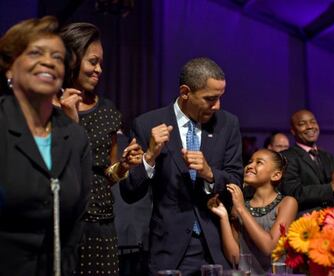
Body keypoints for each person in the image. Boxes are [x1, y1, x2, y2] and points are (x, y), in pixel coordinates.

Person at [120, 57, 244, 275]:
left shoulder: (228, 124)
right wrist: (149, 156)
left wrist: (209, 174)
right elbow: (129, 192)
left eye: (220, 98)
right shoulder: (147, 123)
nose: (217, 106)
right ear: (185, 92)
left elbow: (236, 180)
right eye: (210, 99)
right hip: (169, 251)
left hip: (216, 247)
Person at [0, 16, 91, 276]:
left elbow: (76, 218)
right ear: (9, 68)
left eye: (58, 57)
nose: (49, 61)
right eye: (35, 53)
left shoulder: (75, 137)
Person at [56, 22, 143, 275]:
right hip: (62, 222)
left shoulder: (107, 111)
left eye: (101, 63)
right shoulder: (46, 108)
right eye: (93, 62)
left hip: (101, 225)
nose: (99, 70)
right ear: (71, 60)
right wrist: (69, 122)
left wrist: (124, 166)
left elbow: (109, 175)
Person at [209, 149, 298, 275]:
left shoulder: (287, 203)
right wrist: (223, 216)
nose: (250, 166)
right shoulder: (239, 206)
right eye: (250, 162)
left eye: (259, 162)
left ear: (276, 175)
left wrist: (241, 208)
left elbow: (269, 247)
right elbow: (234, 256)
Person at [279, 109, 334, 215]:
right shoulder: (286, 157)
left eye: (313, 122)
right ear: (293, 130)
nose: (310, 126)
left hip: (332, 219)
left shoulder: (328, 157)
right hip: (304, 222)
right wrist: (330, 187)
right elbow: (293, 192)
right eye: (302, 124)